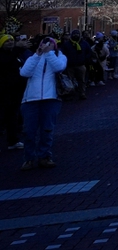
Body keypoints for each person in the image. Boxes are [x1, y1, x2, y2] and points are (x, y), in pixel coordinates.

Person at [19, 35, 67, 170]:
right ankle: (28, 158)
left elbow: (59, 67)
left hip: (51, 98)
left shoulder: (59, 56)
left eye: (49, 43)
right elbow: (24, 73)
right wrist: (37, 55)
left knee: (47, 129)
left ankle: (45, 156)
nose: (45, 45)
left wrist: (49, 54)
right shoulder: (32, 58)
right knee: (29, 131)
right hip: (30, 99)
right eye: (43, 43)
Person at [1, 35, 26, 150]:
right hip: (4, 90)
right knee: (5, 115)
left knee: (12, 115)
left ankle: (13, 140)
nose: (10, 42)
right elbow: (6, 62)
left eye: (11, 40)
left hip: (15, 90)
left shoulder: (15, 54)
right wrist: (17, 49)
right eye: (7, 41)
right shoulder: (4, 55)